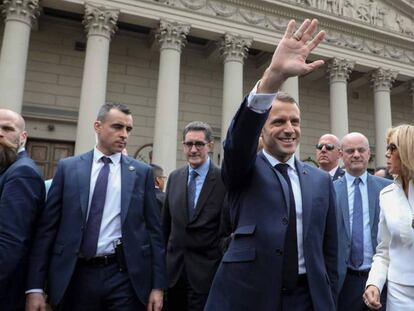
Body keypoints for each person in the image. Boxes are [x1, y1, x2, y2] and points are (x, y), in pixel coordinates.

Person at [205, 19, 338, 311]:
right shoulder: (244, 168)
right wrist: (273, 78)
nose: (289, 129)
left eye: (295, 121)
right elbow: (237, 142)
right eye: (278, 121)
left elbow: (329, 253)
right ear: (261, 131)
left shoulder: (320, 181)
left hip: (306, 299)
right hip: (250, 298)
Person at [26, 103, 166, 311]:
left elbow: (154, 233)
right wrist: (35, 287)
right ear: (97, 126)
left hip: (124, 277)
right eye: (117, 127)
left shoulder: (141, 173)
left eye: (128, 129)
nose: (124, 134)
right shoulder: (69, 168)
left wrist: (157, 286)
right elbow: (47, 230)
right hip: (76, 276)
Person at [162, 121, 228, 311]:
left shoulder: (224, 180)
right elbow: (165, 227)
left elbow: (227, 229)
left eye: (199, 144)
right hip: (174, 277)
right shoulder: (175, 177)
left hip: (207, 277)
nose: (193, 150)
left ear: (210, 145)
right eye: (188, 144)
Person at [335, 132, 391, 311]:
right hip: (345, 282)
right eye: (350, 151)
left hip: (383, 280)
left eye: (361, 150)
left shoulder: (388, 189)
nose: (356, 154)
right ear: (341, 154)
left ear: (369, 154)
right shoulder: (329, 189)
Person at [364, 124, 414, 310]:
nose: (386, 154)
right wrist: (374, 283)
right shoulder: (386, 195)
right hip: (398, 293)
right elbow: (384, 251)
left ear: (408, 150)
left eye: (392, 148)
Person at [0, 109, 45, 310]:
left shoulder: (22, 172)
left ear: (23, 137)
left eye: (7, 128)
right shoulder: (8, 169)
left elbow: (9, 242)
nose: (0, 133)